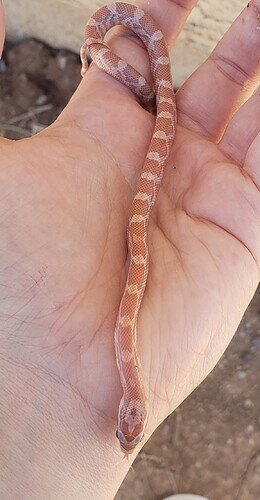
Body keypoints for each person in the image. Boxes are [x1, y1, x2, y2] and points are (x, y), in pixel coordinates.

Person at [0, 0, 259, 498]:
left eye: (124, 434)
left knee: (156, 87)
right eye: (126, 433)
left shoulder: (126, 364)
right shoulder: (126, 370)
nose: (123, 438)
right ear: (128, 404)